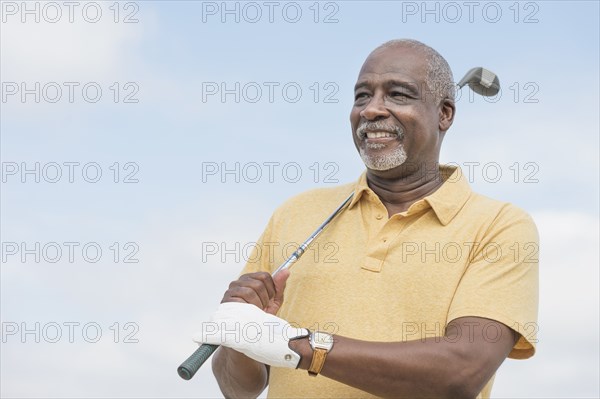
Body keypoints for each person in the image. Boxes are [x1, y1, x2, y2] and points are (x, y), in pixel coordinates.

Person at [195, 39, 539, 399]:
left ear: (445, 114)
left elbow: (461, 371)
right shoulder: (295, 213)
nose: (372, 110)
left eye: (398, 95)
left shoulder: (500, 225)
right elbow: (238, 389)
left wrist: (298, 346)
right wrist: (242, 335)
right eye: (362, 96)